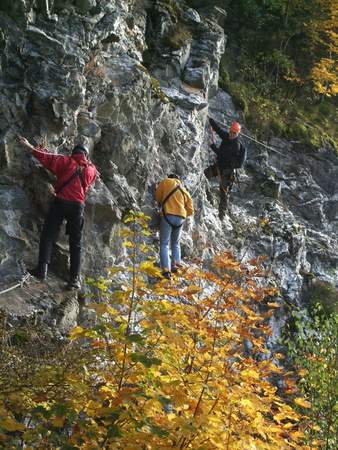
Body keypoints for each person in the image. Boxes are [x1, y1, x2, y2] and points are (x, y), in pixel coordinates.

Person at [19, 137, 97, 289]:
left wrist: (30, 146)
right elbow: (94, 172)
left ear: (73, 153)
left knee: (48, 235)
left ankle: (42, 271)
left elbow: (47, 158)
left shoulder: (65, 161)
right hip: (77, 207)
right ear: (86, 156)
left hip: (60, 203)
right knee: (76, 244)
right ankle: (74, 279)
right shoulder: (91, 170)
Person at [204, 118, 246, 219]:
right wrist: (211, 120)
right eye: (231, 132)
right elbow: (218, 130)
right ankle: (208, 195)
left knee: (223, 192)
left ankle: (221, 215)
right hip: (219, 166)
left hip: (227, 172)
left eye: (234, 133)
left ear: (237, 134)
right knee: (205, 175)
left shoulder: (236, 145)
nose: (231, 134)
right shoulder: (227, 137)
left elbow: (223, 155)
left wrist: (212, 146)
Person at [155, 174, 194, 279]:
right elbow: (190, 210)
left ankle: (166, 271)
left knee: (164, 244)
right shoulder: (184, 190)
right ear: (178, 179)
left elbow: (157, 196)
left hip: (168, 215)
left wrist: (163, 203)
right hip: (180, 218)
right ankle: (176, 266)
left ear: (170, 177)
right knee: (176, 244)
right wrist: (181, 213)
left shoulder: (166, 181)